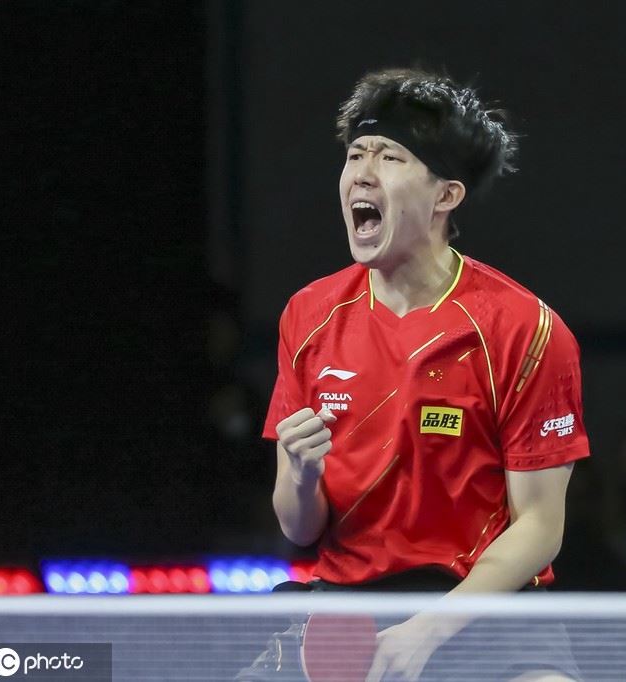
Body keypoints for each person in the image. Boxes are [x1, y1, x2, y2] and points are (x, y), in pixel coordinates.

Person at [238, 67, 590, 682]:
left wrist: (428, 630)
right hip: (348, 608)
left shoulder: (524, 329)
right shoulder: (310, 316)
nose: (362, 173)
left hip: (484, 605)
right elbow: (298, 526)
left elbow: (539, 527)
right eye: (356, 154)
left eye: (390, 156)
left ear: (445, 196)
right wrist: (301, 471)